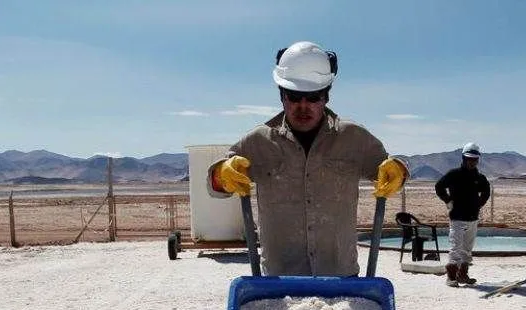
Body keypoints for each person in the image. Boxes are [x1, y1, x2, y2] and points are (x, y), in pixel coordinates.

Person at [207, 41, 408, 277]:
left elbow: (391, 172)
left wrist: (399, 171)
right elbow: (215, 188)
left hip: (341, 279)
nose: (303, 106)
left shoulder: (355, 138)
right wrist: (222, 174)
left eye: (313, 97)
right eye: (294, 96)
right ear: (282, 96)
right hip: (278, 282)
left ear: (326, 97)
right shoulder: (257, 142)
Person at [434, 142, 491, 286]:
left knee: (467, 249)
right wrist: (448, 200)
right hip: (457, 217)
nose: (471, 162)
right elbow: (439, 186)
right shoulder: (454, 175)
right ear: (463, 158)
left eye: (474, 159)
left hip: (472, 218)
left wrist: (479, 203)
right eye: (468, 159)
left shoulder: (479, 177)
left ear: (478, 160)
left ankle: (463, 275)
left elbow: (486, 191)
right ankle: (451, 276)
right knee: (456, 247)